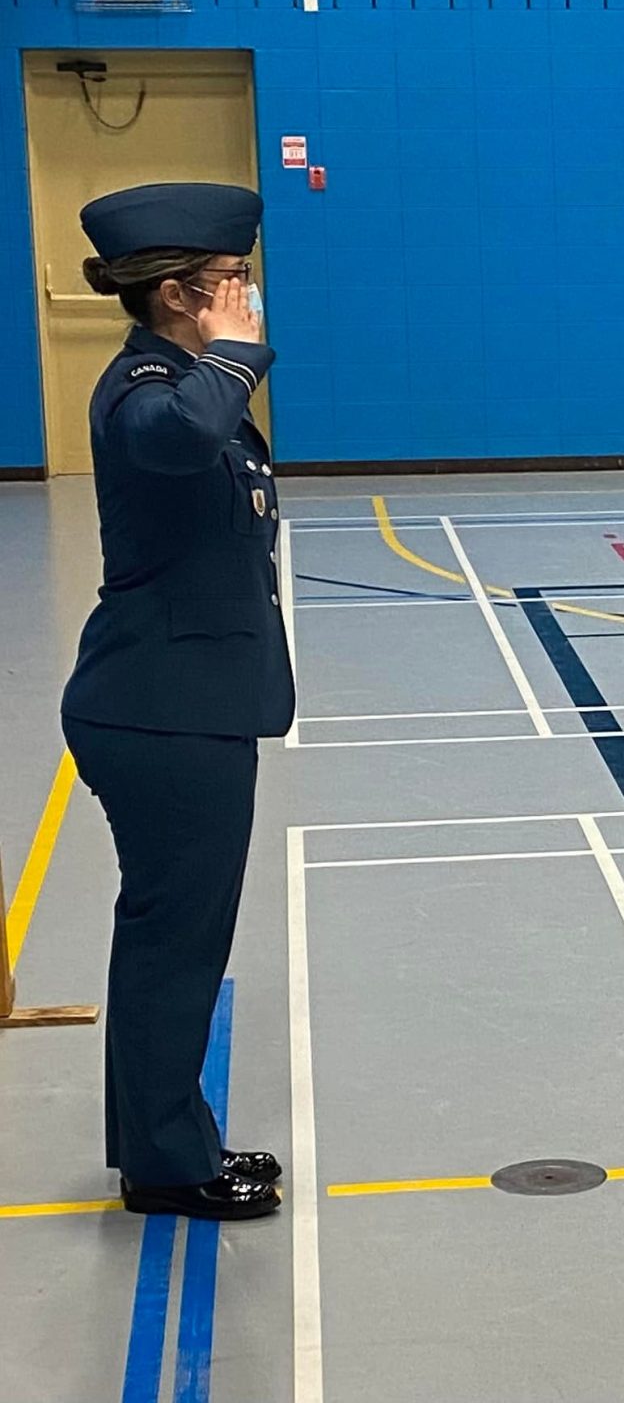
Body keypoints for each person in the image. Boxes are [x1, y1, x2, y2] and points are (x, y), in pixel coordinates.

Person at [61, 183, 294, 1219]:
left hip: (187, 703)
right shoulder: (144, 391)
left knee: (171, 938)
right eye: (230, 280)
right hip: (163, 712)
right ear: (176, 294)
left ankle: (165, 1143)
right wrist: (236, 355)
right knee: (175, 943)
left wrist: (226, 362)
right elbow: (178, 439)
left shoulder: (185, 386)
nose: (247, 295)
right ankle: (166, 1167)